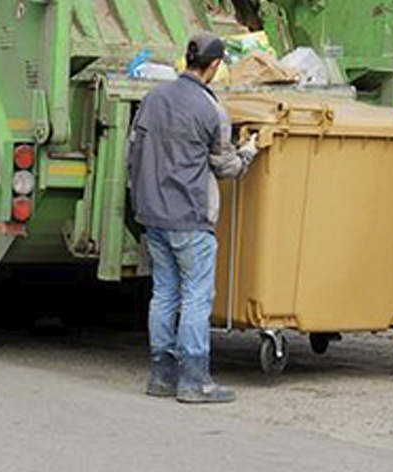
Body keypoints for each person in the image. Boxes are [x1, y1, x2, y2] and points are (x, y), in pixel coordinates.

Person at [127, 33, 259, 403]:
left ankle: (161, 376)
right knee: (197, 297)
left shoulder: (153, 98)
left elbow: (133, 153)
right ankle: (195, 380)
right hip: (190, 217)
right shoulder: (210, 109)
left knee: (164, 294)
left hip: (152, 214)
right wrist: (249, 151)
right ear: (215, 66)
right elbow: (226, 166)